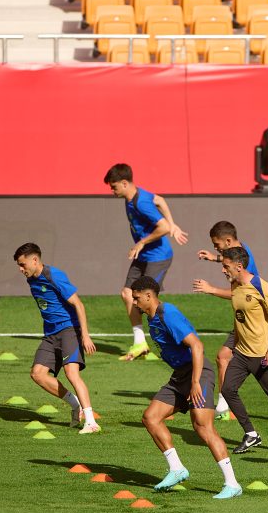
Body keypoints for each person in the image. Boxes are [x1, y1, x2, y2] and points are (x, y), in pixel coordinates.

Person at [131, 276, 243, 499]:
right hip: (180, 376)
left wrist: (195, 383)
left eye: (137, 298)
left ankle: (232, 484)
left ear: (148, 296)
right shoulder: (152, 317)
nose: (134, 303)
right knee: (151, 418)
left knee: (203, 427)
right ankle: (177, 469)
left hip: (197, 373)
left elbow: (197, 346)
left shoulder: (168, 314)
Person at [192, 220, 268, 425]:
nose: (216, 248)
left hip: (255, 322)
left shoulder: (244, 271)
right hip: (245, 320)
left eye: (217, 245)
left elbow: (240, 294)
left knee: (264, 366)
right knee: (225, 357)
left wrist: (211, 290)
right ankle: (224, 406)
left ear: (228, 241)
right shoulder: (240, 251)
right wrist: (214, 258)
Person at [13, 242, 100, 434]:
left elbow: (79, 304)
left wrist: (85, 336)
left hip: (69, 330)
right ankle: (75, 404)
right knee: (37, 374)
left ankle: (91, 422)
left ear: (34, 260)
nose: (20, 269)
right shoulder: (31, 280)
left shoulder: (54, 276)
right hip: (50, 334)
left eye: (22, 264)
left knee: (71, 373)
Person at [104, 163, 188, 361]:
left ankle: (178, 339)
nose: (112, 191)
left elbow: (163, 228)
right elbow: (160, 200)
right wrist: (172, 223)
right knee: (127, 293)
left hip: (158, 257)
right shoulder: (135, 196)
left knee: (150, 302)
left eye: (114, 187)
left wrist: (143, 241)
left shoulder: (141, 203)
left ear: (125, 183)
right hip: (143, 256)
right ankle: (140, 344)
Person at [219, 246, 268, 455]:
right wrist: (234, 345)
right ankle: (251, 434)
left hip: (263, 356)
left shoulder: (261, 286)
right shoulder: (235, 287)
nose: (223, 270)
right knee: (227, 390)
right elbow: (239, 318)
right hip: (241, 354)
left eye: (226, 266)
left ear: (239, 266)